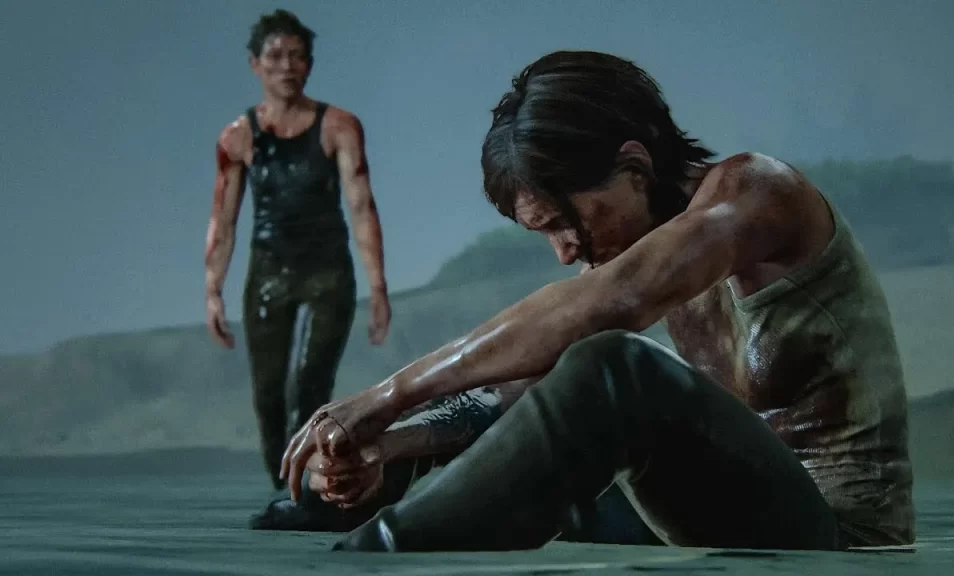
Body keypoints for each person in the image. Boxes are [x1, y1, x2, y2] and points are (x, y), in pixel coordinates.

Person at [279, 50, 916, 552]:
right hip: (726, 514)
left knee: (615, 365)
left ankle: (374, 556)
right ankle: (366, 506)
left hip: (836, 537)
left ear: (635, 167)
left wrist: (387, 395)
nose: (564, 252)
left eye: (566, 223)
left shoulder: (758, 195)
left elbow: (618, 304)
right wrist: (392, 441)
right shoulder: (641, 258)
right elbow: (524, 386)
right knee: (540, 457)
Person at [204, 9, 392, 492]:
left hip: (328, 271)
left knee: (311, 385)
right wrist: (213, 290)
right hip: (269, 272)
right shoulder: (238, 137)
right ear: (255, 64)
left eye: (297, 56)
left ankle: (310, 489)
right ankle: (281, 485)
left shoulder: (339, 127)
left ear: (309, 64)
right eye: (275, 56)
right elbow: (223, 219)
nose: (286, 66)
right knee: (268, 392)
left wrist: (378, 288)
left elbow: (361, 207)